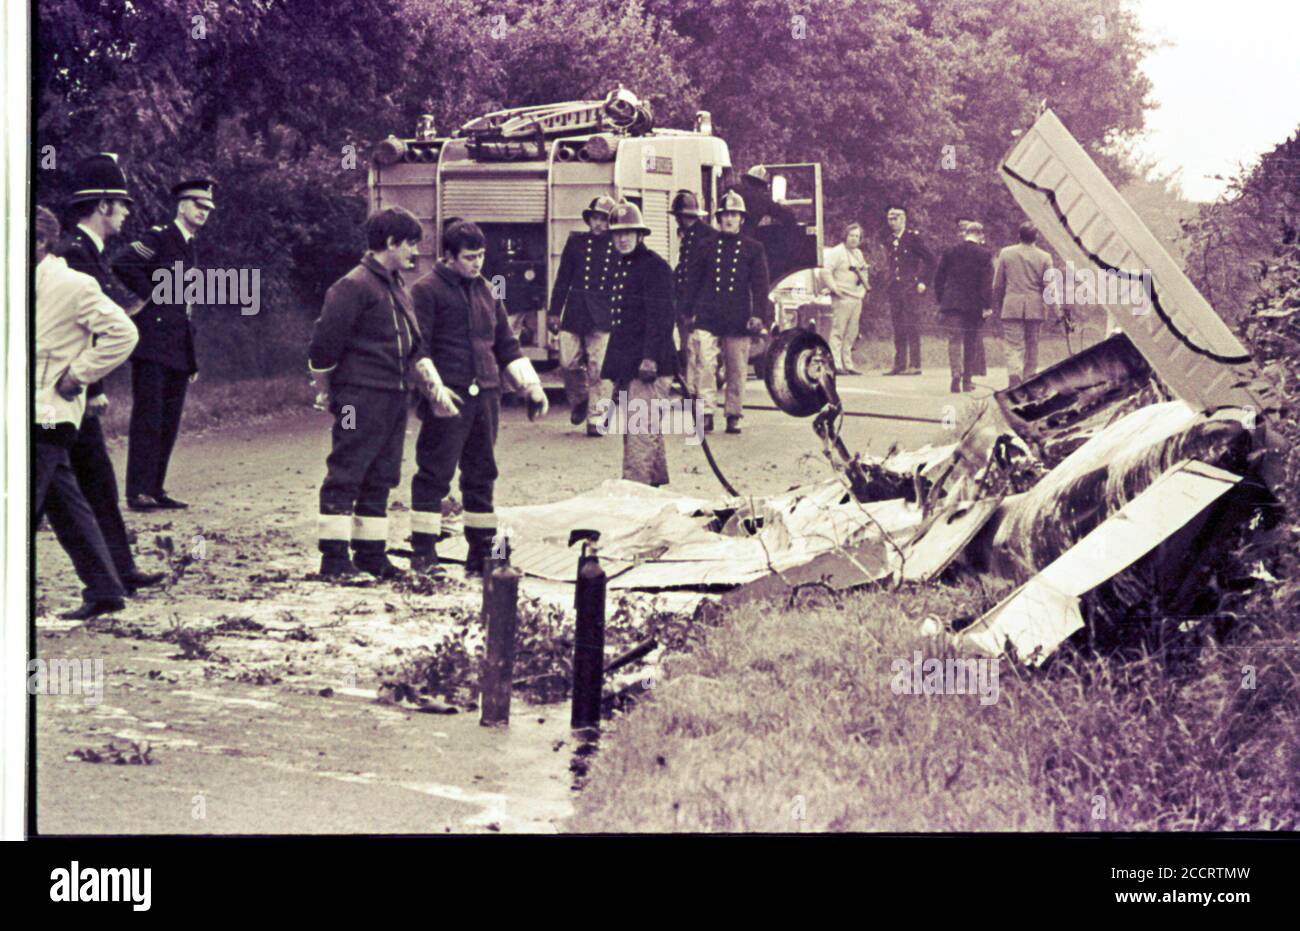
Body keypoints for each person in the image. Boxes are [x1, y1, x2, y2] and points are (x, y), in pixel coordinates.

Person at [408, 220, 549, 577]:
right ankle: (424, 554)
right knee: (434, 474)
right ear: (449, 256)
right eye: (470, 257)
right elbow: (417, 348)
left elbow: (506, 344)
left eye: (482, 255)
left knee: (482, 473)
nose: (477, 263)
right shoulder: (425, 291)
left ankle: (482, 553)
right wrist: (435, 393)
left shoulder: (488, 290)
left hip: (486, 395)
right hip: (449, 396)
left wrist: (531, 386)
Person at [55, 154, 164, 595]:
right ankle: (112, 573)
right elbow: (78, 328)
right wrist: (94, 385)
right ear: (102, 206)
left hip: (72, 388)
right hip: (66, 388)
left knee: (96, 481)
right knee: (70, 486)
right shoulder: (75, 255)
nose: (126, 212)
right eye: (121, 204)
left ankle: (118, 570)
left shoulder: (89, 254)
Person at [34, 205, 140, 619]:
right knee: (64, 505)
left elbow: (124, 332)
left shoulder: (73, 284)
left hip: (49, 413)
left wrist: (78, 375)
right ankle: (104, 587)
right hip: (33, 413)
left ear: (41, 242)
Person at [308, 206, 424, 579]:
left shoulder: (395, 285)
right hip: (359, 397)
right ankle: (335, 560)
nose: (414, 253)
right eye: (410, 244)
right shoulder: (353, 285)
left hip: (393, 394)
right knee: (348, 470)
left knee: (383, 473)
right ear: (389, 243)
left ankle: (372, 554)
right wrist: (327, 391)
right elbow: (324, 346)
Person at [112, 177, 215, 511]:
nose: (204, 213)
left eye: (208, 209)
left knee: (169, 420)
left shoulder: (189, 245)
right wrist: (153, 294)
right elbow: (124, 263)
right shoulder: (159, 237)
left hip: (176, 344)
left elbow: (185, 304)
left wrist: (192, 355)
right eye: (198, 206)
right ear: (182, 206)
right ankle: (137, 491)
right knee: (148, 417)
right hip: (153, 342)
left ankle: (154, 488)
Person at [600, 201, 679, 486]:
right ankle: (652, 483)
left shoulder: (655, 267)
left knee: (639, 428)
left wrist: (650, 358)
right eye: (617, 234)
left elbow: (662, 317)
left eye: (628, 233)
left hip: (650, 364)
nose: (622, 239)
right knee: (642, 426)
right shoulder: (623, 266)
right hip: (630, 363)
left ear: (640, 235)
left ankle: (636, 490)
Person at [683, 191, 771, 434]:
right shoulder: (705, 246)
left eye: (734, 214)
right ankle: (706, 412)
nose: (730, 219)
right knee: (705, 364)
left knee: (736, 367)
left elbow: (760, 286)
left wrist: (758, 315)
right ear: (718, 218)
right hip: (708, 313)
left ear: (742, 219)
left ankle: (733, 413)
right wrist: (687, 310)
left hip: (737, 315)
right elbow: (693, 280)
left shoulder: (753, 249)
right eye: (725, 215)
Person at [550, 195, 616, 435]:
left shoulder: (618, 246)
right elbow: (563, 279)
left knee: (600, 369)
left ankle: (597, 419)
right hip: (575, 313)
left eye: (604, 220)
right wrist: (554, 311)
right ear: (589, 220)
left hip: (603, 316)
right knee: (567, 362)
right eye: (596, 218)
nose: (599, 224)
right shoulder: (576, 243)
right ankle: (580, 399)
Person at [994, 221, 1057, 387]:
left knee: (1013, 345)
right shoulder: (1045, 257)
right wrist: (1056, 310)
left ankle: (1014, 373)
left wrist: (1001, 303)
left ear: (1019, 235)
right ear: (1036, 237)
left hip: (1011, 305)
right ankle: (1029, 378)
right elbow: (1049, 287)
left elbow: (998, 284)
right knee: (1032, 344)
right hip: (1035, 307)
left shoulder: (1006, 253)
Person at [933, 221, 993, 393]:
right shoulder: (985, 255)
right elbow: (986, 283)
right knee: (971, 341)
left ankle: (955, 375)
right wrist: (987, 305)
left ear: (966, 233)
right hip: (973, 305)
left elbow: (939, 278)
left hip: (952, 303)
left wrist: (942, 300)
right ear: (980, 235)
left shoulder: (950, 251)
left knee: (954, 339)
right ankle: (967, 380)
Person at [882, 206, 935, 376]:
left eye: (895, 218)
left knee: (911, 324)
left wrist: (923, 281)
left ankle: (915, 364)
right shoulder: (889, 239)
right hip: (895, 288)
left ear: (903, 219)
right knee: (897, 325)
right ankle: (899, 363)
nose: (892, 221)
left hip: (910, 287)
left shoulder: (913, 238)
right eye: (889, 218)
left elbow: (930, 260)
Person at [669, 190, 714, 376]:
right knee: (689, 351)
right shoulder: (690, 235)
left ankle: (695, 394)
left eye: (678, 217)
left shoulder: (705, 237)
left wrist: (691, 308)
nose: (677, 221)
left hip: (696, 305)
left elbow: (699, 276)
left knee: (696, 353)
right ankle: (691, 392)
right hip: (685, 301)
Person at [819, 221, 870, 375]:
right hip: (842, 297)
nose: (854, 239)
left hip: (856, 297)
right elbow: (825, 271)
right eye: (851, 235)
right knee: (838, 331)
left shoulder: (858, 253)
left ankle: (848, 363)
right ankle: (836, 363)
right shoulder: (837, 252)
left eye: (857, 236)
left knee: (852, 332)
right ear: (845, 236)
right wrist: (834, 288)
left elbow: (862, 272)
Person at [955, 217, 987, 377]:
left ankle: (978, 367)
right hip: (971, 300)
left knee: (974, 336)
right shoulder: (958, 248)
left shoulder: (981, 248)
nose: (961, 231)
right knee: (972, 336)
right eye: (959, 228)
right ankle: (972, 369)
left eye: (963, 228)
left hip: (970, 299)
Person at [728, 166, 797, 235]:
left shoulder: (732, 191)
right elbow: (788, 216)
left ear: (746, 180)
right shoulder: (762, 199)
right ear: (762, 186)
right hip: (745, 238)